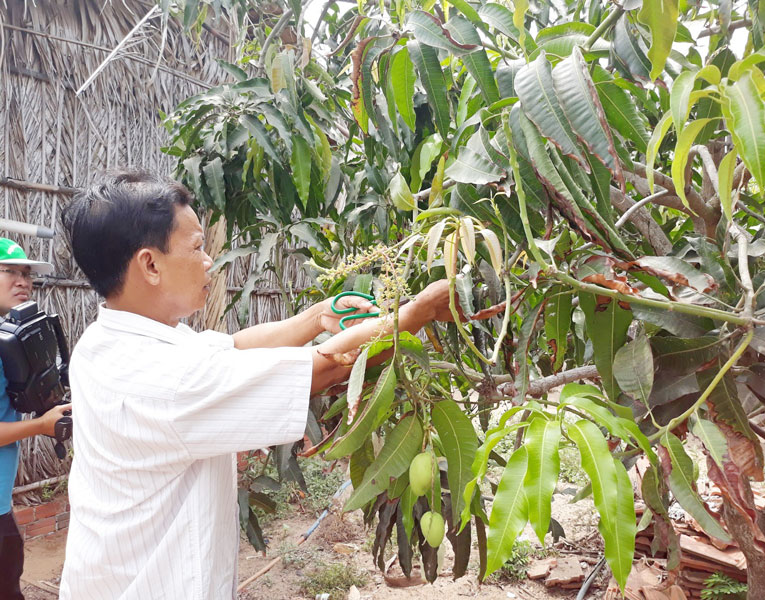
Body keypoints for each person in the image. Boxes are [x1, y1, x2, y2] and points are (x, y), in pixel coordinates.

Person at [57, 171, 459, 600]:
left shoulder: (108, 343)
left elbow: (232, 348)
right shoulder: (164, 380)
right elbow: (324, 369)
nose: (208, 260)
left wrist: (315, 317)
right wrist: (416, 314)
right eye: (196, 248)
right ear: (150, 264)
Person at [0, 238, 72, 600]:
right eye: (9, 271)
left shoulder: (8, 339)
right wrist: (42, 425)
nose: (22, 281)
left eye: (26, 274)